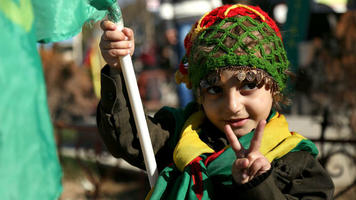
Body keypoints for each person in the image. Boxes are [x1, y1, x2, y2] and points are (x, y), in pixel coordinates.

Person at [97, 4, 334, 199]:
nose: (232, 105)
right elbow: (127, 135)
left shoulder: (297, 161)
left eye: (248, 85)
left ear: (275, 87)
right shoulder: (181, 134)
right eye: (214, 89)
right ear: (200, 93)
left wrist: (260, 184)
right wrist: (117, 67)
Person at [159, 0, 223, 108]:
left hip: (207, 20)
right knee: (184, 70)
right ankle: (188, 111)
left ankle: (211, 106)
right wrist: (168, 26)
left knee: (211, 67)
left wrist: (218, 16)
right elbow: (166, 3)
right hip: (182, 23)